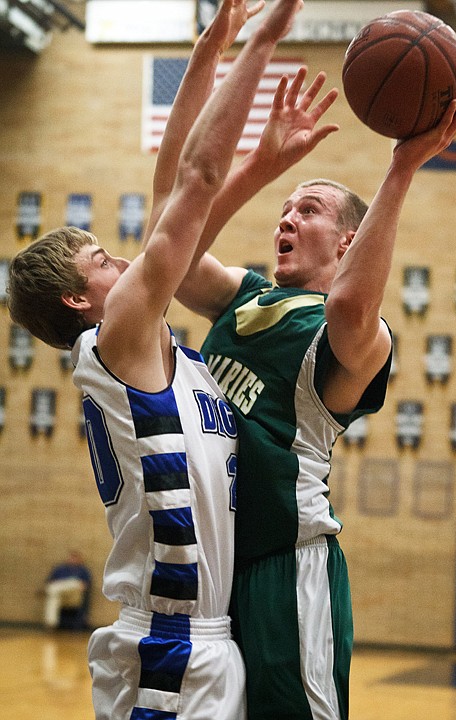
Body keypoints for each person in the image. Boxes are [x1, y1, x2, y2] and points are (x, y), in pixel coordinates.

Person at [7, 2, 308, 718]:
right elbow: (193, 181)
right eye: (104, 261)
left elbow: (188, 206)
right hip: (165, 647)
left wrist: (258, 157)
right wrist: (255, 43)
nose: (127, 262)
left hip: (207, 638)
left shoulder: (181, 358)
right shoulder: (114, 342)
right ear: (81, 303)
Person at [172, 80, 456, 718]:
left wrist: (401, 167)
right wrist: (261, 167)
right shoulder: (244, 296)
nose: (286, 218)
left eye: (307, 210)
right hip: (215, 569)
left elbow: (350, 303)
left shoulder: (355, 337)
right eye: (284, 210)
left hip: (288, 568)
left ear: (347, 242)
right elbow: (173, 252)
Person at [43, 550, 92, 630]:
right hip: (61, 595)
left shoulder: (83, 570)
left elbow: (86, 585)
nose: (73, 560)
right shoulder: (60, 569)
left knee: (73, 583)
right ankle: (51, 622)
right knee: (53, 598)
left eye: (75, 558)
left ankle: (54, 589)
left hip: (74, 595)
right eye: (71, 558)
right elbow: (50, 581)